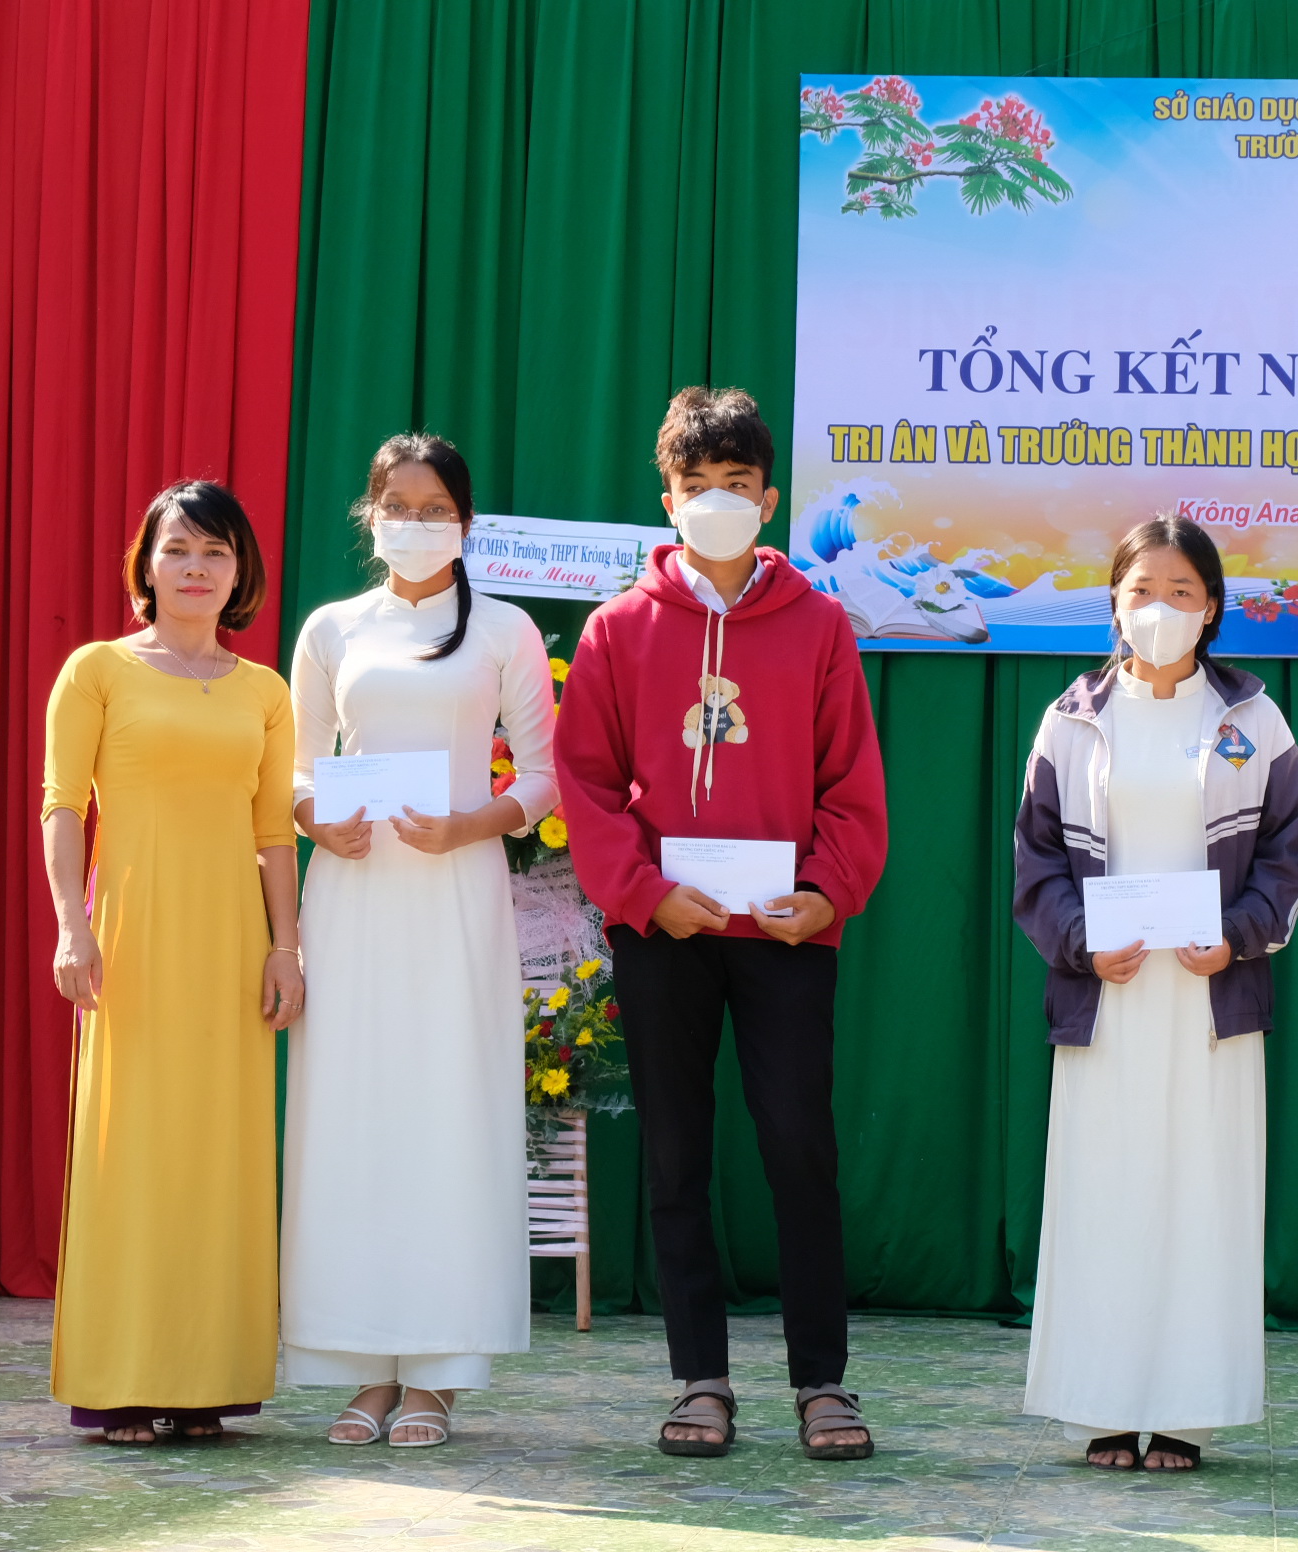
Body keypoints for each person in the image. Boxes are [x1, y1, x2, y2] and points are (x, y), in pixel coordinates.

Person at [554, 387, 890, 1461]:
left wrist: (828, 890)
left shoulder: (819, 626)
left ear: (770, 499)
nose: (717, 502)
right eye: (696, 486)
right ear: (668, 499)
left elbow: (851, 784)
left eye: (737, 485)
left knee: (799, 1148)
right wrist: (643, 892)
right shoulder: (618, 629)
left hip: (786, 933)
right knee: (675, 1154)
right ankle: (699, 1378)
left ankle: (822, 1381)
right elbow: (586, 782)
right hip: (665, 933)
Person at [1010, 517, 1298, 1474]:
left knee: (1202, 1197)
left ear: (1212, 607)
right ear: (1114, 600)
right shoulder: (1070, 720)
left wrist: (1240, 935)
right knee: (1105, 1194)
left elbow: (1287, 854)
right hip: (1107, 998)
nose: (1160, 608)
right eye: (1142, 589)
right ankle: (1102, 1404)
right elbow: (1036, 862)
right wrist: (1082, 943)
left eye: (1182, 591)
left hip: (1211, 1000)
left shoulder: (1254, 719)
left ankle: (1188, 1410)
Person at [282, 434, 560, 1449]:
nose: (413, 521)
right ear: (370, 515)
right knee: (351, 1114)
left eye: (433, 506)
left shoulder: (505, 629)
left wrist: (471, 822)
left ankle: (439, 1373)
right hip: (351, 895)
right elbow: (295, 768)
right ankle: (361, 1368)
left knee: (449, 1114)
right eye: (395, 505)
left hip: (455, 894)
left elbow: (544, 778)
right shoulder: (331, 629)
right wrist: (316, 819)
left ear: (466, 521)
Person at [39, 480, 302, 1444]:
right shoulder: (97, 670)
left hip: (233, 946)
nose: (196, 568)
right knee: (132, 1150)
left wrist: (286, 948)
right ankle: (119, 1382)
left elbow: (273, 833)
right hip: (134, 940)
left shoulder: (264, 691)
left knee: (220, 1155)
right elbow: (63, 803)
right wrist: (73, 925)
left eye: (216, 552)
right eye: (179, 549)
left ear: (241, 573)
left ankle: (205, 1385)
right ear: (146, 566)